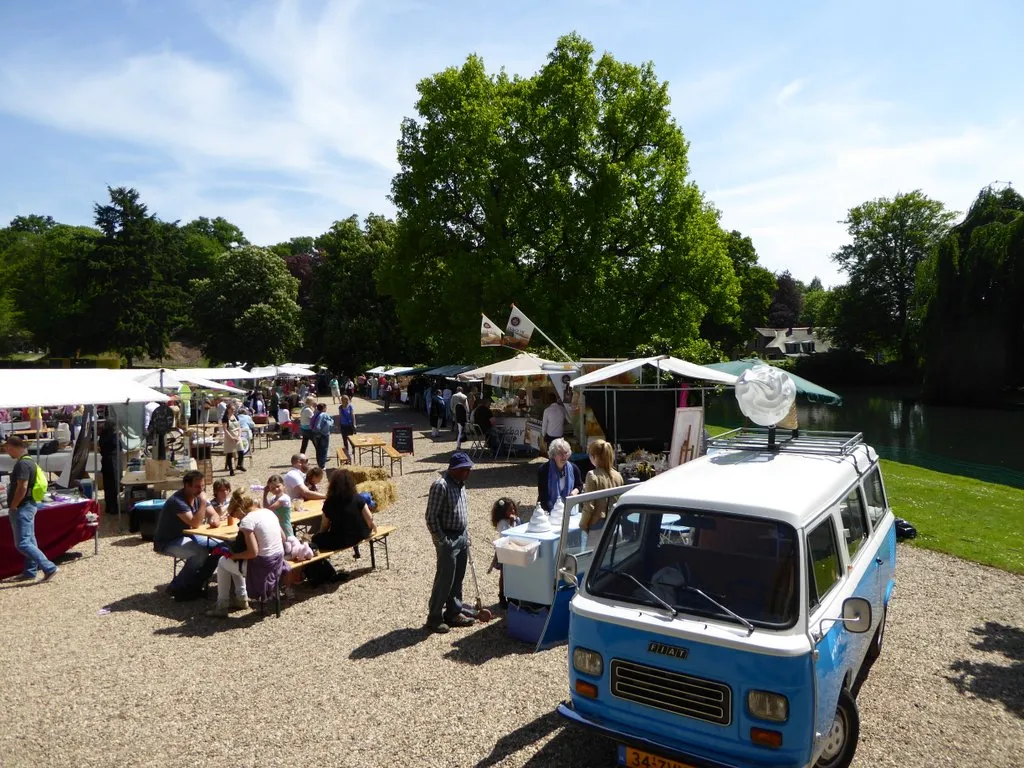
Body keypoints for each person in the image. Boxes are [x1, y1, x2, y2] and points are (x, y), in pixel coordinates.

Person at [206, 490, 288, 618]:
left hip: (262, 567)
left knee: (223, 562)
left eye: (234, 513)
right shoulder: (269, 512)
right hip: (278, 563)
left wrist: (234, 556)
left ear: (240, 509)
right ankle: (241, 598)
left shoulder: (248, 521)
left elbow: (252, 553)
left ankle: (222, 606)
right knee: (232, 563)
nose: (235, 517)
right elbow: (283, 538)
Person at [424, 451, 477, 633]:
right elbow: (431, 517)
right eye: (465, 469)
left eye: (469, 469)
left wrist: (465, 534)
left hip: (460, 536)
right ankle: (434, 617)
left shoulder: (461, 484)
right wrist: (442, 540)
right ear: (454, 469)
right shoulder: (441, 485)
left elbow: (461, 512)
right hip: (448, 537)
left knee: (458, 577)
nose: (468, 473)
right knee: (445, 579)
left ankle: (453, 612)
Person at [153, 470, 220, 599]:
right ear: (186, 486)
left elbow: (214, 514)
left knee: (221, 547)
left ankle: (196, 583)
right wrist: (203, 502)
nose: (200, 490)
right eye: (197, 487)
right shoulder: (177, 501)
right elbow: (195, 523)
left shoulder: (197, 497)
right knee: (200, 553)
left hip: (188, 537)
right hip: (168, 541)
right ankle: (177, 587)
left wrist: (214, 519)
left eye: (202, 486)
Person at [2, 436, 59, 582]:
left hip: (22, 507)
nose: (7, 452)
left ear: (11, 447)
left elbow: (22, 487)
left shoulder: (22, 464)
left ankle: (49, 567)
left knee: (23, 543)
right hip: (29, 505)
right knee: (30, 541)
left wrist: (14, 505)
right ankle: (29, 571)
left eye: (7, 449)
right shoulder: (30, 461)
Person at [312, 469, 376, 570]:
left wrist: (319, 536)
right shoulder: (358, 498)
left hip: (341, 540)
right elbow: (369, 518)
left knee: (314, 540)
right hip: (360, 534)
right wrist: (370, 528)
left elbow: (324, 526)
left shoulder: (329, 502)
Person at [580, 440, 624, 541]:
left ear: (595, 457)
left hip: (598, 526)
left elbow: (589, 505)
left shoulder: (592, 475)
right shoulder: (618, 475)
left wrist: (583, 524)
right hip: (616, 524)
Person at [490, 498, 521, 608]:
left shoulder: (516, 519)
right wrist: (512, 523)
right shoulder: (502, 522)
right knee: (504, 575)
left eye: (513, 509)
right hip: (505, 551)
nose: (512, 512)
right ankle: (502, 596)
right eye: (510, 510)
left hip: (514, 549)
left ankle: (514, 595)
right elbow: (506, 535)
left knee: (514, 573)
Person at [537, 438, 583, 512]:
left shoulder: (574, 468)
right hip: (548, 510)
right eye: (560, 453)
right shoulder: (544, 470)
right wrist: (555, 511)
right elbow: (543, 496)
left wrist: (574, 492)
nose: (564, 456)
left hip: (570, 510)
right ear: (553, 455)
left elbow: (579, 486)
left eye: (566, 452)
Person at [98, 415, 120, 521]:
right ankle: (113, 507)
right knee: (114, 485)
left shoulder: (102, 435)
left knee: (107, 485)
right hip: (112, 461)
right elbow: (118, 446)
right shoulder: (113, 436)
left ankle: (108, 506)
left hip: (105, 461)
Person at [221, 402, 245, 476]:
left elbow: (239, 427)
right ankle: (231, 470)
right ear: (228, 409)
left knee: (241, 452)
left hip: (237, 437)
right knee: (229, 454)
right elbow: (225, 429)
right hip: (229, 437)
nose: (233, 411)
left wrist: (239, 436)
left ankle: (239, 465)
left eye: (234, 409)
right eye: (232, 409)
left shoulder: (236, 416)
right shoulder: (225, 418)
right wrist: (231, 438)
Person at [310, 402, 333, 468]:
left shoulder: (315, 414)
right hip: (323, 434)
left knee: (318, 449)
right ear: (323, 408)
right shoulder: (324, 415)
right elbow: (329, 423)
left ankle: (319, 463)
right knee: (324, 449)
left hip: (315, 434)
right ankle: (322, 465)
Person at [338, 395, 356, 464]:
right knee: (344, 439)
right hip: (343, 425)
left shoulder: (350, 406)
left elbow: (353, 415)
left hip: (349, 425)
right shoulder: (340, 407)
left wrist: (354, 424)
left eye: (346, 399)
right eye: (343, 399)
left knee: (351, 439)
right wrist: (339, 424)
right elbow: (339, 416)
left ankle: (353, 448)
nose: (345, 401)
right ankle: (347, 452)